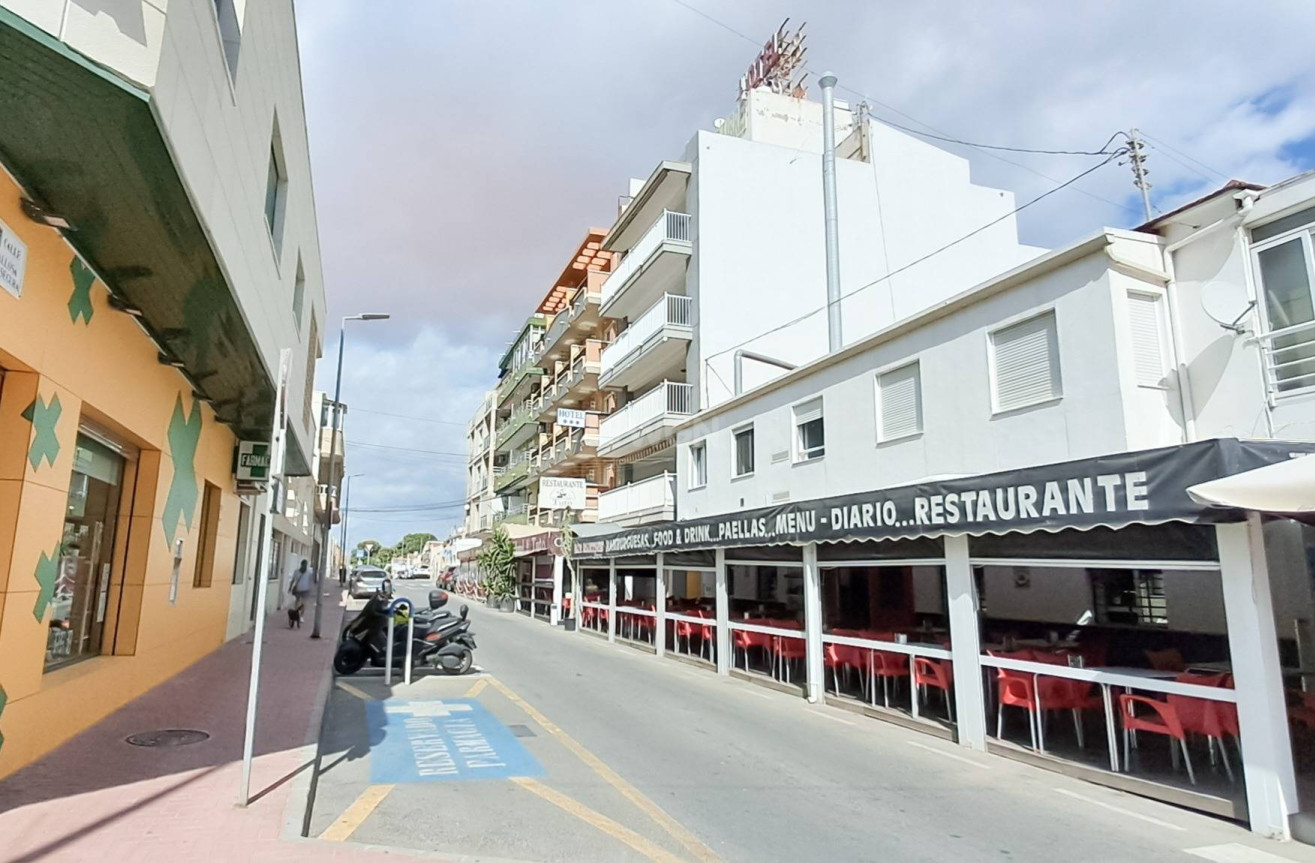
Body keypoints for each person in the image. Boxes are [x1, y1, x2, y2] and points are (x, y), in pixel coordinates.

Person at [288, 559, 314, 628]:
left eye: (306, 565)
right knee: (297, 602)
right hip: (298, 589)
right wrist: (290, 588)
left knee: (304, 603)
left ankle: (301, 616)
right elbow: (293, 580)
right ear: (301, 565)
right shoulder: (296, 572)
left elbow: (312, 580)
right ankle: (296, 614)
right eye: (304, 565)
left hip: (306, 590)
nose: (305, 567)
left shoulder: (309, 572)